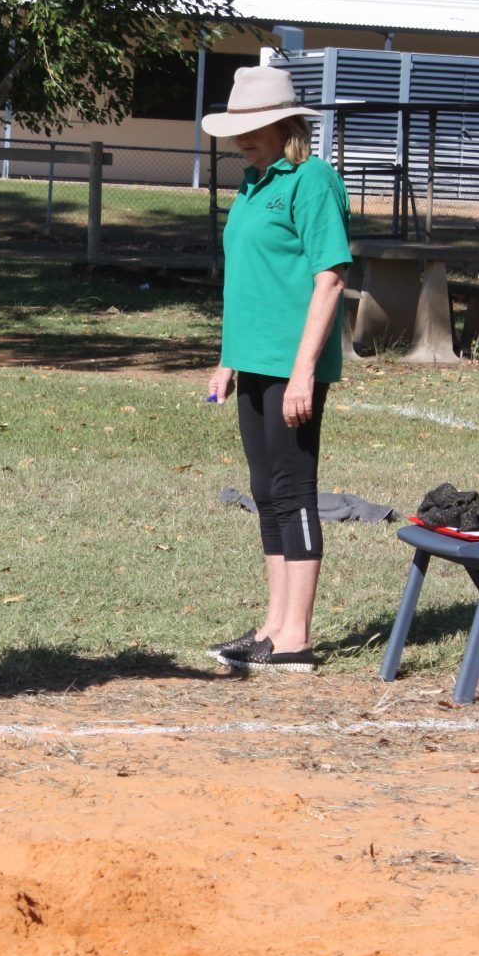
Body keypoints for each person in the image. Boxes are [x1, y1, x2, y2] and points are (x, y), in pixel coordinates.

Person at [200, 66, 352, 674]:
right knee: (265, 492)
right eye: (237, 127)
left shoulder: (313, 181)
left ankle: (297, 638)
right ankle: (272, 624)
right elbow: (249, 280)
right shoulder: (253, 184)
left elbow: (330, 277)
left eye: (255, 126)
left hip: (293, 365)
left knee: (293, 492)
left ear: (285, 124)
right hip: (254, 361)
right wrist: (228, 359)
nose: (243, 138)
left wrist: (304, 372)